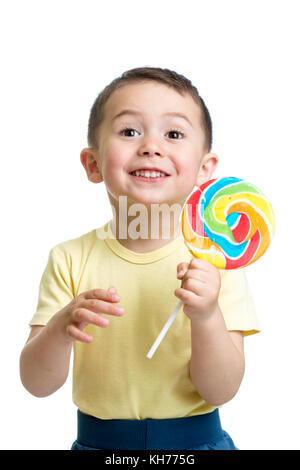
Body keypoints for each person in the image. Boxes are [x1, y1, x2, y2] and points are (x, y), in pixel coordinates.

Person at [19, 67, 259, 450]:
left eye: (174, 134)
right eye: (129, 132)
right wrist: (60, 328)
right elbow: (36, 384)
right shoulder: (69, 259)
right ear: (93, 163)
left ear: (204, 170)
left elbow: (221, 390)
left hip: (195, 446)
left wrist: (207, 314)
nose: (151, 146)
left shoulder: (216, 263)